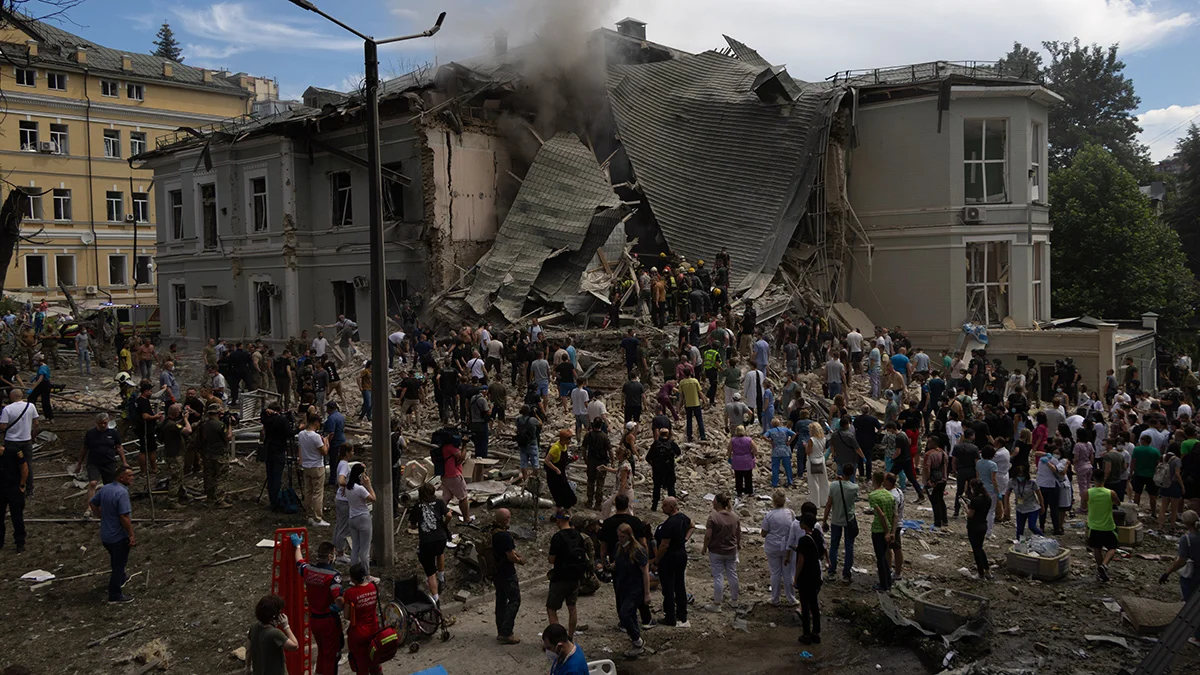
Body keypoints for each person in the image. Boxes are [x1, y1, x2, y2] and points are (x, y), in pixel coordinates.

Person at [290, 535, 342, 675]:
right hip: (328, 621)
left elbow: (299, 562)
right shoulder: (333, 576)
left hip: (314, 620)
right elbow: (338, 599)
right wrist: (341, 605)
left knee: (322, 652)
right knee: (331, 655)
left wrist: (298, 546)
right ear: (331, 556)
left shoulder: (309, 571)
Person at [89, 466, 135, 602]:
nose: (132, 477)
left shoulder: (106, 488)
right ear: (121, 477)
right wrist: (131, 534)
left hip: (105, 535)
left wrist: (100, 515)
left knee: (116, 560)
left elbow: (92, 503)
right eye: (129, 475)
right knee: (118, 564)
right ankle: (114, 594)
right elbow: (124, 517)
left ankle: (121, 577)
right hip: (118, 536)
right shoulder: (122, 493)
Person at [1158, 510, 1200, 644]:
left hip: (1192, 574)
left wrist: (1167, 572)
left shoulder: (1186, 539)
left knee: (1191, 604)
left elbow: (1181, 560)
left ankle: (1198, 636)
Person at [652, 496, 694, 626]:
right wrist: (685, 539)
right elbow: (692, 525)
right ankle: (682, 614)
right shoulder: (682, 517)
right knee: (680, 585)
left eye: (664, 505)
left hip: (670, 558)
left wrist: (656, 561)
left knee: (668, 588)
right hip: (681, 555)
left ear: (671, 507)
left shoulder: (669, 524)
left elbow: (664, 545)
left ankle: (670, 616)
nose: (662, 508)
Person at [612, 523, 651, 658]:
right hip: (622, 585)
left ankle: (637, 641)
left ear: (629, 535)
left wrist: (647, 594)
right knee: (629, 614)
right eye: (619, 536)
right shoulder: (619, 547)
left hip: (635, 588)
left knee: (625, 614)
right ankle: (635, 637)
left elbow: (645, 573)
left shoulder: (638, 551)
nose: (620, 539)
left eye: (622, 536)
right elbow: (617, 563)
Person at [547, 509, 587, 638]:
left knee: (552, 609)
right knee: (572, 607)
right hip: (575, 577)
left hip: (560, 577)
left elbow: (551, 559)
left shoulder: (557, 537)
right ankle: (570, 637)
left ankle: (557, 639)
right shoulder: (578, 535)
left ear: (558, 520)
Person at [410, 483, 451, 603]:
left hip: (426, 541)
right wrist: (445, 523)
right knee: (440, 553)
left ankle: (435, 598)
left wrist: (415, 525)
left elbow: (412, 524)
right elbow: (449, 515)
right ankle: (442, 577)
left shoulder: (417, 506)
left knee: (430, 572)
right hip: (440, 538)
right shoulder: (439, 502)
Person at [489, 507, 525, 644]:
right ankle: (506, 632)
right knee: (514, 600)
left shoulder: (491, 532)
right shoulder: (504, 536)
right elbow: (511, 556)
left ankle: (501, 630)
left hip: (496, 573)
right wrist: (521, 560)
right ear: (505, 520)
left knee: (501, 601)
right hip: (507, 573)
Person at [701, 493, 741, 612]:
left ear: (717, 503)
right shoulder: (735, 516)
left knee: (718, 576)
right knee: (732, 574)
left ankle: (717, 603)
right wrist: (738, 545)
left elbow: (708, 535)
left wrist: (704, 548)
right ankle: (734, 600)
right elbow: (738, 533)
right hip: (731, 550)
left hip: (716, 550)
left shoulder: (713, 517)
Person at [340, 564, 381, 675]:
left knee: (361, 666)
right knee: (375, 662)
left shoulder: (350, 593)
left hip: (358, 633)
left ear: (352, 578)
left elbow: (347, 615)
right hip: (374, 629)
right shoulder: (373, 587)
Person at [823, 463, 859, 583]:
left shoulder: (833, 485)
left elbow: (829, 504)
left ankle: (832, 571)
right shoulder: (854, 487)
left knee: (834, 546)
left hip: (835, 519)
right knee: (849, 547)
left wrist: (824, 520)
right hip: (848, 519)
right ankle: (846, 574)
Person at [246, 594, 299, 674]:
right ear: (274, 615)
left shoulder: (253, 627)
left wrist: (248, 667)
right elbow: (294, 646)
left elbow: (248, 650)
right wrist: (286, 626)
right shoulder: (275, 633)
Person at [793, 512, 824, 644]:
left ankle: (806, 634)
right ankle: (816, 632)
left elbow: (800, 561)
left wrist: (795, 578)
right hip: (816, 572)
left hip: (806, 575)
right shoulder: (817, 535)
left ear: (805, 525)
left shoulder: (803, 540)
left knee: (805, 605)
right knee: (814, 604)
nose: (799, 523)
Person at [1082, 474, 1121, 582]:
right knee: (1112, 548)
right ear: (1104, 479)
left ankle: (1100, 568)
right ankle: (1104, 565)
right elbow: (1118, 503)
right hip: (1108, 526)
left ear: (1094, 479)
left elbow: (1083, 507)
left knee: (1097, 549)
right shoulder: (1110, 493)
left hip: (1093, 526)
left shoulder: (1087, 493)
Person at [762, 490, 797, 605]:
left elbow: (763, 533)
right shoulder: (790, 513)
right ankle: (791, 598)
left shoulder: (769, 515)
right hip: (787, 546)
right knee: (788, 573)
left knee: (775, 573)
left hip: (773, 546)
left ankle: (775, 598)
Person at [297, 414, 329, 525]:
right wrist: (326, 442)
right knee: (318, 493)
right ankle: (317, 517)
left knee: (308, 491)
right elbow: (324, 451)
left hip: (306, 465)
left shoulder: (301, 434)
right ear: (316, 423)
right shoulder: (315, 437)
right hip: (317, 466)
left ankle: (309, 514)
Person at [344, 463, 375, 576]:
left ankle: (354, 574)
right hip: (363, 518)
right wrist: (369, 485)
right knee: (364, 550)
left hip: (352, 517)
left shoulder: (348, 487)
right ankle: (366, 574)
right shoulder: (360, 489)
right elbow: (373, 498)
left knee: (355, 547)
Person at [158, 403, 192, 507]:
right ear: (177, 413)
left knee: (179, 476)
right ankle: (172, 500)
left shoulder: (166, 422)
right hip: (175, 454)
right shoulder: (171, 425)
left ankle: (182, 494)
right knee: (176, 477)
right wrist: (186, 419)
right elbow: (188, 430)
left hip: (171, 453)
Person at [868, 471, 895, 590]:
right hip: (889, 528)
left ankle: (883, 584)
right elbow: (895, 515)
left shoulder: (873, 496)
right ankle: (888, 581)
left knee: (880, 558)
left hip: (879, 530)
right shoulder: (889, 495)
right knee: (884, 556)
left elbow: (881, 515)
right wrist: (892, 532)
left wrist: (886, 532)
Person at [646, 427, 681, 511]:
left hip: (657, 470)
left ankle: (654, 506)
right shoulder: (671, 443)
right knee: (671, 488)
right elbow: (679, 453)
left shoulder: (656, 444)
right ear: (668, 434)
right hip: (669, 470)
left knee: (656, 487)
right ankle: (673, 507)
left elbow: (648, 457)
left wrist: (654, 464)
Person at [1037, 442, 1068, 534]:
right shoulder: (1050, 459)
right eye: (1055, 452)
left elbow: (1058, 470)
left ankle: (1050, 527)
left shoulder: (1046, 459)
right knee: (1048, 507)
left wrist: (1048, 461)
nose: (1056, 455)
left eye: (1058, 453)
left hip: (1047, 485)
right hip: (1047, 485)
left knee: (1049, 508)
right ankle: (1050, 528)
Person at [965, 478, 992, 580]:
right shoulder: (988, 498)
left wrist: (965, 506)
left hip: (973, 526)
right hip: (983, 525)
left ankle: (981, 574)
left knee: (976, 550)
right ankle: (987, 570)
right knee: (980, 548)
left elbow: (970, 514)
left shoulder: (975, 501)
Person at [545, 429, 578, 510]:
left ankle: (562, 514)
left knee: (567, 495)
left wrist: (571, 459)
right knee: (559, 496)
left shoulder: (564, 446)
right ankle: (560, 515)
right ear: (563, 439)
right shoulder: (555, 448)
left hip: (561, 474)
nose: (570, 441)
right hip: (553, 476)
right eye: (568, 439)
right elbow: (546, 461)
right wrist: (556, 469)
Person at [1010, 463, 1044, 539]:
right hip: (1020, 508)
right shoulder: (1012, 482)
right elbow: (1007, 494)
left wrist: (1042, 505)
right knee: (1019, 529)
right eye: (1019, 476)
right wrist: (1006, 507)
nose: (1020, 478)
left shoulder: (1032, 482)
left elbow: (1039, 494)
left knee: (1032, 526)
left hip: (1032, 507)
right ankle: (1020, 545)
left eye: (1022, 476)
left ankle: (1043, 539)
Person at [951, 428, 980, 518]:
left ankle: (956, 510)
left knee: (959, 491)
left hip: (961, 470)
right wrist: (977, 474)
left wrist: (954, 470)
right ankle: (971, 509)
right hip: (971, 471)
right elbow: (977, 462)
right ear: (971, 436)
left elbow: (954, 460)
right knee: (971, 491)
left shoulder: (957, 446)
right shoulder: (974, 448)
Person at [922, 438, 949, 528]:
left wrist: (927, 480)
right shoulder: (943, 453)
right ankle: (944, 520)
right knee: (940, 499)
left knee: (934, 501)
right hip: (943, 479)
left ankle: (937, 522)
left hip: (933, 481)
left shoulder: (928, 454)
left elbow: (927, 468)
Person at [763, 417, 797, 489]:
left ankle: (775, 483)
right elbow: (794, 434)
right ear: (779, 423)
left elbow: (764, 436)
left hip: (776, 450)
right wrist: (789, 442)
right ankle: (790, 481)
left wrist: (770, 441)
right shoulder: (785, 429)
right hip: (785, 449)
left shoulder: (771, 431)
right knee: (787, 466)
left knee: (775, 467)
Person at [805, 422, 830, 508]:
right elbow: (823, 450)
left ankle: (815, 503)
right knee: (823, 481)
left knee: (814, 482)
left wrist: (805, 446)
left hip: (812, 460)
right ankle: (824, 500)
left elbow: (808, 452)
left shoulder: (811, 440)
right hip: (821, 459)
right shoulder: (823, 438)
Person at [678, 368, 706, 442]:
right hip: (696, 403)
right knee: (699, 420)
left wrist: (679, 406)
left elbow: (681, 396)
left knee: (689, 420)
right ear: (690, 373)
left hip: (687, 404)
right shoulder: (695, 381)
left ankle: (689, 437)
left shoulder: (682, 383)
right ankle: (703, 436)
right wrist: (704, 400)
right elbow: (700, 392)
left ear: (684, 374)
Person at [729, 425, 757, 497]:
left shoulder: (733, 440)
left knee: (738, 477)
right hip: (747, 460)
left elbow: (729, 450)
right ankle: (749, 491)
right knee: (748, 477)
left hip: (737, 460)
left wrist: (729, 458)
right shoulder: (749, 440)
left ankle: (739, 491)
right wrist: (753, 455)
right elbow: (755, 448)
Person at [28, 354, 52, 422]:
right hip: (45, 384)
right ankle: (49, 417)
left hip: (43, 384)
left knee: (32, 398)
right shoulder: (44, 366)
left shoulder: (42, 367)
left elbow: (40, 379)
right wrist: (36, 377)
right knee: (45, 401)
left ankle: (33, 415)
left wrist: (32, 388)